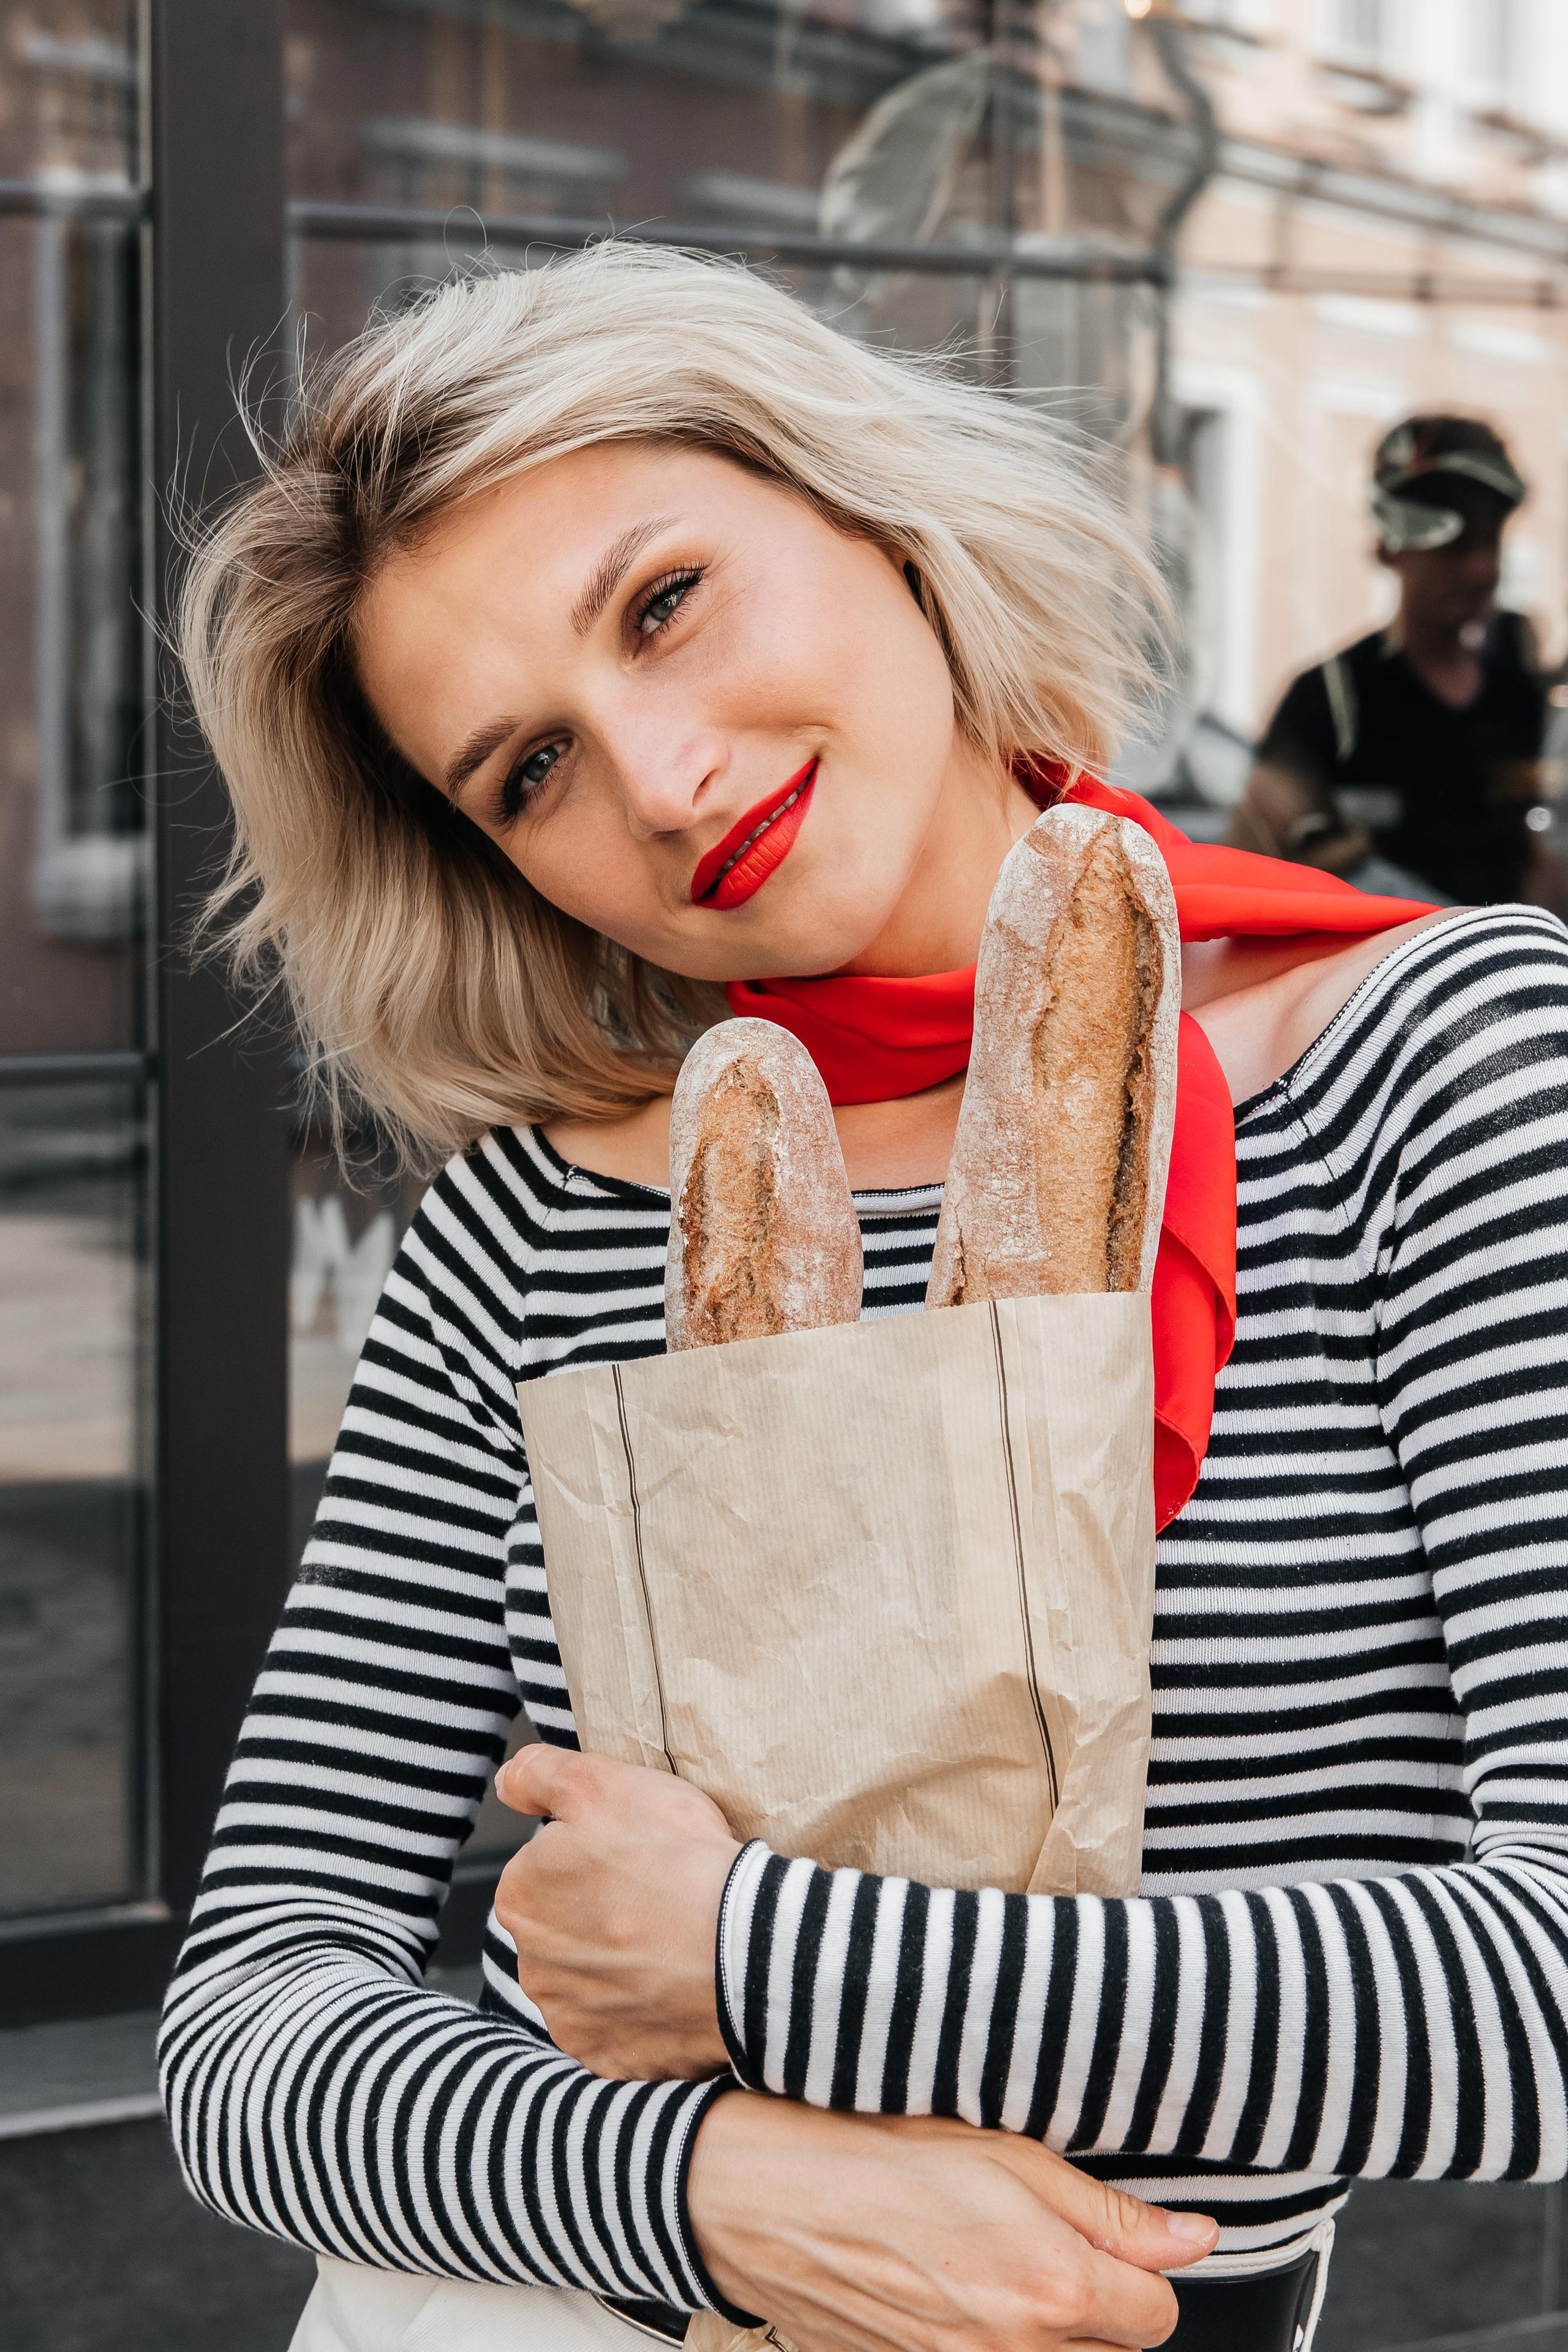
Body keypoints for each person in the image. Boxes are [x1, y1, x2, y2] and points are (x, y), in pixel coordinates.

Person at [158, 247, 1568, 2352]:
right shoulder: (525, 1249)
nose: (654, 773)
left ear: (872, 509)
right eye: (525, 772)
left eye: (664, 603)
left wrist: (747, 1957)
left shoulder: (1441, 1076)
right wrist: (712, 2187)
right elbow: (247, 2021)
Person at [1229, 415, 1562, 908]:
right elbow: (1259, 869)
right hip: (1380, 975)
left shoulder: (1522, 700)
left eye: (1492, 541)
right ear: (1394, 545)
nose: (1483, 568)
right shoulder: (1331, 701)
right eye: (1455, 542)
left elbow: (1547, 861)